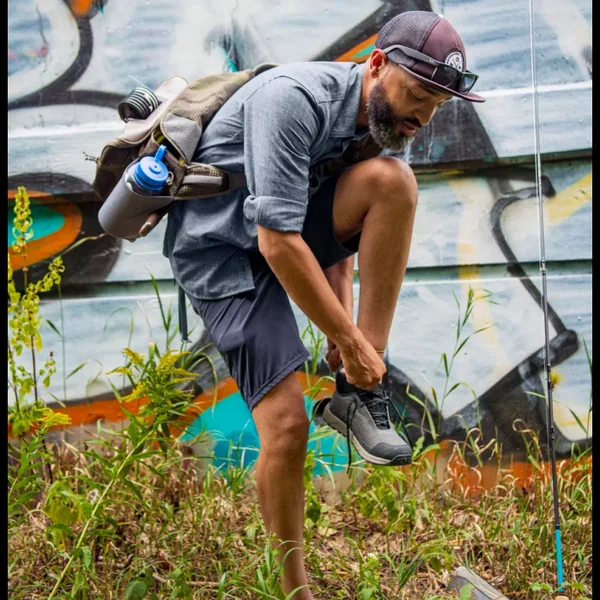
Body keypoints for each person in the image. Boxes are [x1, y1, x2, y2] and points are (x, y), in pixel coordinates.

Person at [163, 9, 485, 599]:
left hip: (280, 233)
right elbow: (278, 243)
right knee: (287, 424)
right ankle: (295, 591)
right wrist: (351, 342)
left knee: (393, 183)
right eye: (418, 95)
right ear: (377, 64)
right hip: (224, 253)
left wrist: (350, 343)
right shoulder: (293, 101)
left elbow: (341, 241)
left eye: (437, 104)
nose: (423, 115)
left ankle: (357, 395)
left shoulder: (384, 124)